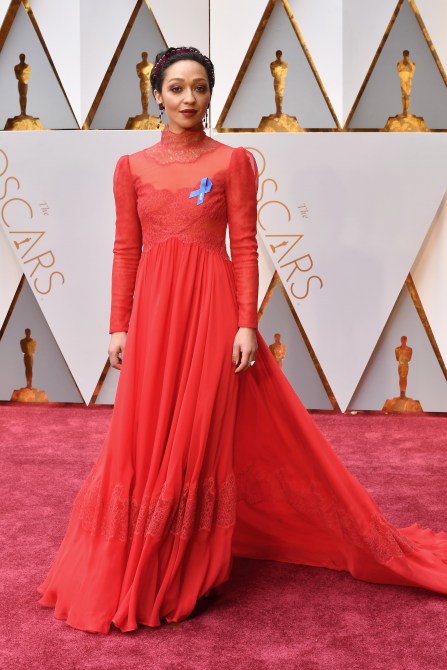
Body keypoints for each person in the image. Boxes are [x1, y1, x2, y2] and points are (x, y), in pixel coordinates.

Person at [37, 46, 447, 635]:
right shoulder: (130, 167)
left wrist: (245, 323)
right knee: (145, 433)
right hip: (153, 317)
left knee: (199, 432)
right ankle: (141, 554)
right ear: (157, 95)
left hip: (211, 311)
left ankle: (192, 567)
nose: (188, 98)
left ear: (211, 95)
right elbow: (126, 248)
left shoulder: (233, 162)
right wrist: (118, 325)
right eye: (176, 87)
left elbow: (246, 245)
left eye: (199, 87)